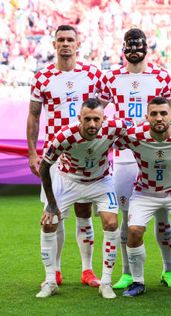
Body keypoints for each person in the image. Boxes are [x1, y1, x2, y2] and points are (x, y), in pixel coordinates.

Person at [27, 24, 103, 288]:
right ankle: (55, 271)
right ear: (54, 44)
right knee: (54, 211)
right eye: (61, 40)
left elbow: (103, 113)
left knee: (84, 211)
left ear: (78, 44)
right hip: (55, 156)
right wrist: (32, 152)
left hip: (85, 154)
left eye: (70, 39)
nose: (65, 44)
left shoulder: (93, 75)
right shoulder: (42, 77)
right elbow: (34, 115)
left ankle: (87, 270)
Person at [101, 28, 171, 290]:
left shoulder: (161, 76)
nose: (134, 50)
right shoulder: (111, 78)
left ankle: (169, 270)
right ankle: (128, 273)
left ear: (147, 47)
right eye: (129, 45)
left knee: (163, 216)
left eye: (138, 45)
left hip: (157, 154)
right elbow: (96, 110)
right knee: (126, 216)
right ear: (123, 48)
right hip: (123, 156)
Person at [37, 98, 125, 299]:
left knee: (111, 223)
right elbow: (44, 167)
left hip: (101, 181)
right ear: (79, 119)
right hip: (69, 181)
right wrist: (51, 204)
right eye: (88, 120)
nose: (92, 124)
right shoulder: (64, 136)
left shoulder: (114, 127)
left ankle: (106, 282)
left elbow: (145, 124)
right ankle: (50, 280)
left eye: (97, 119)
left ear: (104, 119)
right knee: (49, 222)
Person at [116, 97, 171, 297]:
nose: (159, 118)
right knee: (134, 231)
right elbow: (114, 134)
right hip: (144, 192)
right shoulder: (135, 136)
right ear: (147, 117)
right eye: (154, 114)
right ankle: (137, 282)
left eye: (163, 114)